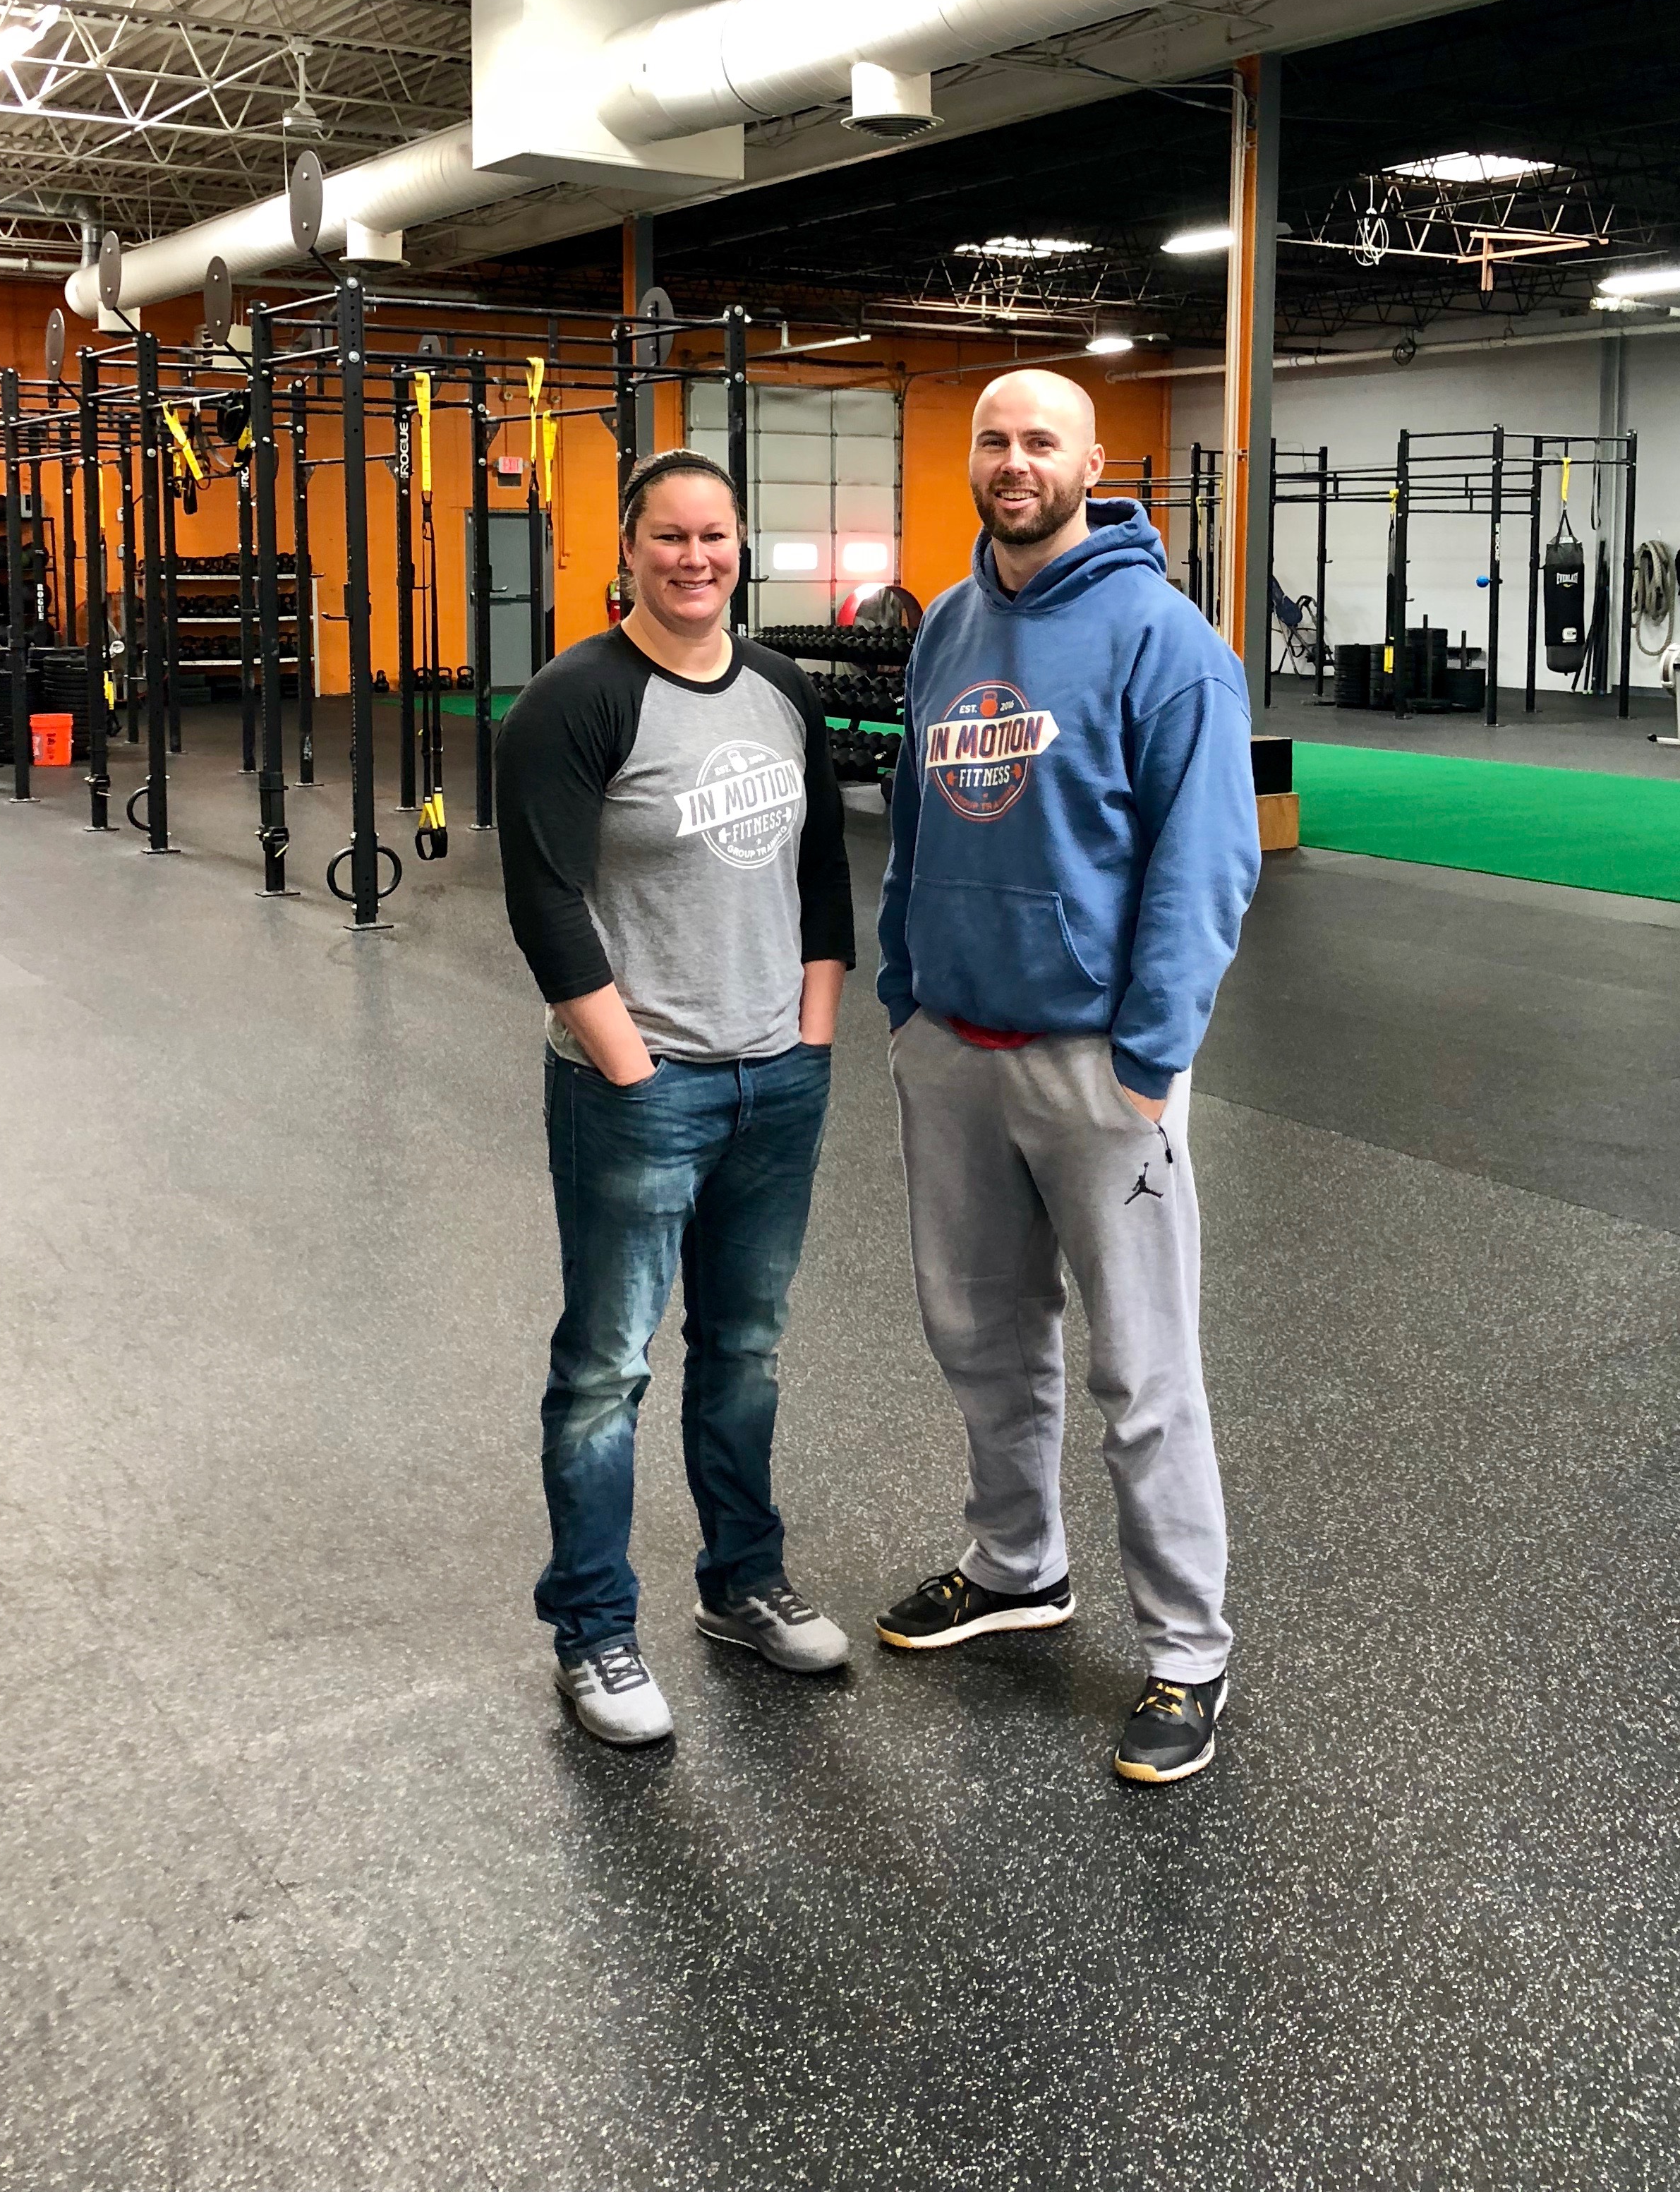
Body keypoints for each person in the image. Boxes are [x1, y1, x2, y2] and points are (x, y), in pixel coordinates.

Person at [875, 371, 1261, 1785]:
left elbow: (1208, 861)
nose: (1013, 460)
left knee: (1140, 1372)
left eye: (1042, 440)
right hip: (953, 1047)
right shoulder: (947, 624)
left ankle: (1187, 1651)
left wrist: (1149, 1061)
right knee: (979, 1335)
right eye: (993, 439)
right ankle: (1016, 1566)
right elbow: (912, 820)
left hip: (1098, 1067)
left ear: (1095, 464)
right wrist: (905, 988)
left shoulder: (1166, 640)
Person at [497, 449, 855, 1749]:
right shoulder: (576, 699)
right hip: (640, 1086)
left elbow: (823, 867)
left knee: (745, 1346)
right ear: (629, 547)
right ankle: (593, 1630)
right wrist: (631, 1064)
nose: (694, 558)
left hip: (777, 1075)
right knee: (608, 1367)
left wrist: (810, 1035)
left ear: (740, 545)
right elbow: (544, 899)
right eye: (669, 536)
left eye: (714, 535)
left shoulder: (780, 688)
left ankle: (741, 1581)